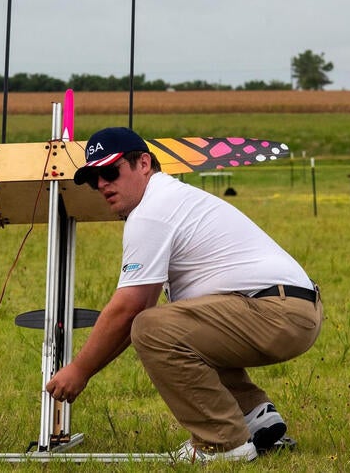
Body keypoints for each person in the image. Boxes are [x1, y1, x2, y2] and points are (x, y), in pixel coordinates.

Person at [46, 127, 323, 463]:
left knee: (155, 328)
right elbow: (138, 311)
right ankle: (252, 415)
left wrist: (79, 370)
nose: (102, 184)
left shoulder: (152, 210)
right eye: (93, 179)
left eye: (110, 171)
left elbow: (129, 311)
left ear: (144, 163)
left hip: (278, 312)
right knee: (172, 323)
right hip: (289, 308)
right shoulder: (167, 198)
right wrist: (86, 368)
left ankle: (222, 443)